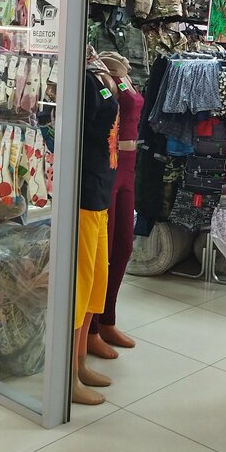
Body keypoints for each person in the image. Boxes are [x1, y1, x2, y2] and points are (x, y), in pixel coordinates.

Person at [88, 52, 144, 358]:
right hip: (111, 162)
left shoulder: (125, 72)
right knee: (104, 250)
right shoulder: (104, 72)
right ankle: (91, 329)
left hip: (130, 165)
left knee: (124, 246)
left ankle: (108, 319)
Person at [73, 48, 120, 405]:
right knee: (80, 285)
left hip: (102, 189)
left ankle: (80, 362)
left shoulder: (99, 73)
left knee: (96, 282)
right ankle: (68, 375)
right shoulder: (84, 80)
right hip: (86, 192)